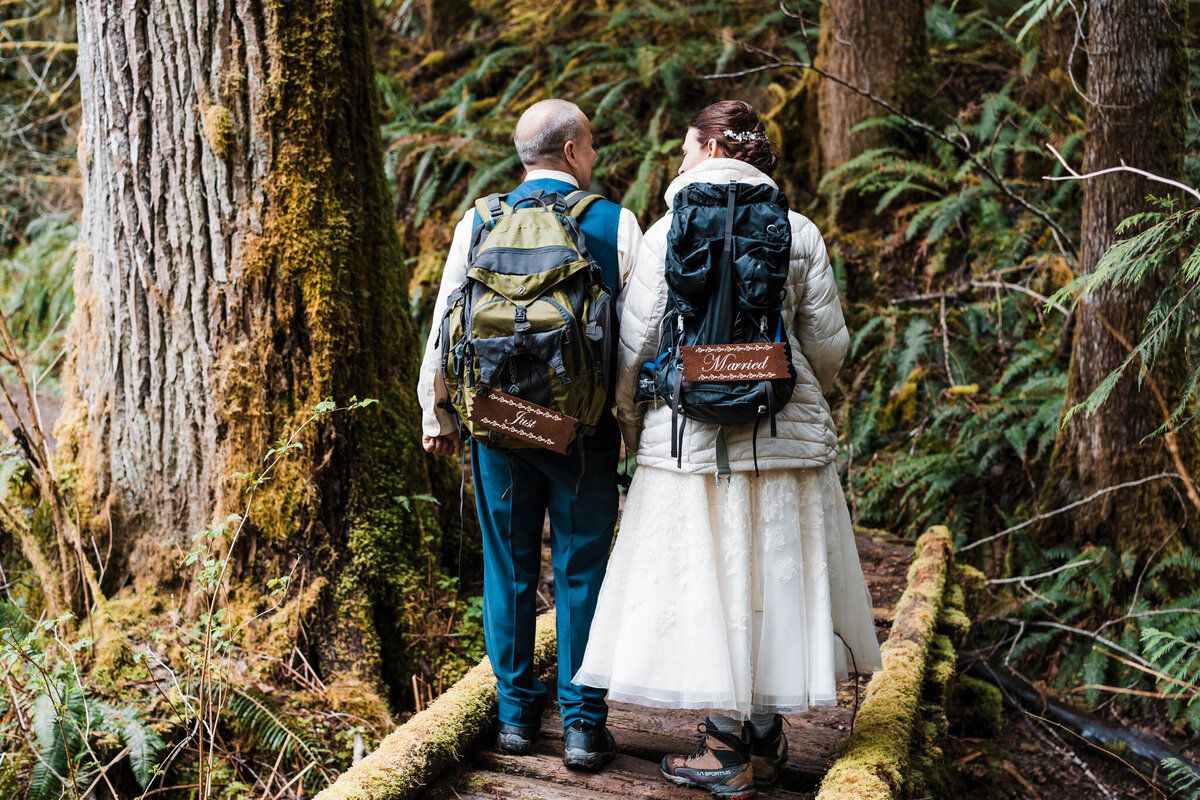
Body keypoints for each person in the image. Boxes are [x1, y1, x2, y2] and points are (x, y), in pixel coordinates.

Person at [573, 100, 882, 797]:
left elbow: (637, 343)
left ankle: (722, 747)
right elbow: (828, 347)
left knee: (707, 581)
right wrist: (797, 390)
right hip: (783, 434)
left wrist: (630, 423)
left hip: (689, 440)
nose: (679, 160)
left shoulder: (663, 233)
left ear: (712, 150)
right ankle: (767, 739)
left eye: (686, 147)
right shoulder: (798, 232)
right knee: (774, 577)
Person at [417, 98, 642, 770]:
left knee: (507, 570)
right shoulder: (612, 222)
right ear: (573, 151)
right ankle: (581, 727)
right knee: (581, 571)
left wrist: (439, 415)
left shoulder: (480, 219)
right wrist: (628, 429)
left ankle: (516, 721)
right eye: (593, 144)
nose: (594, 155)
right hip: (583, 437)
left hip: (495, 430)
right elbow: (632, 342)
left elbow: (445, 322)